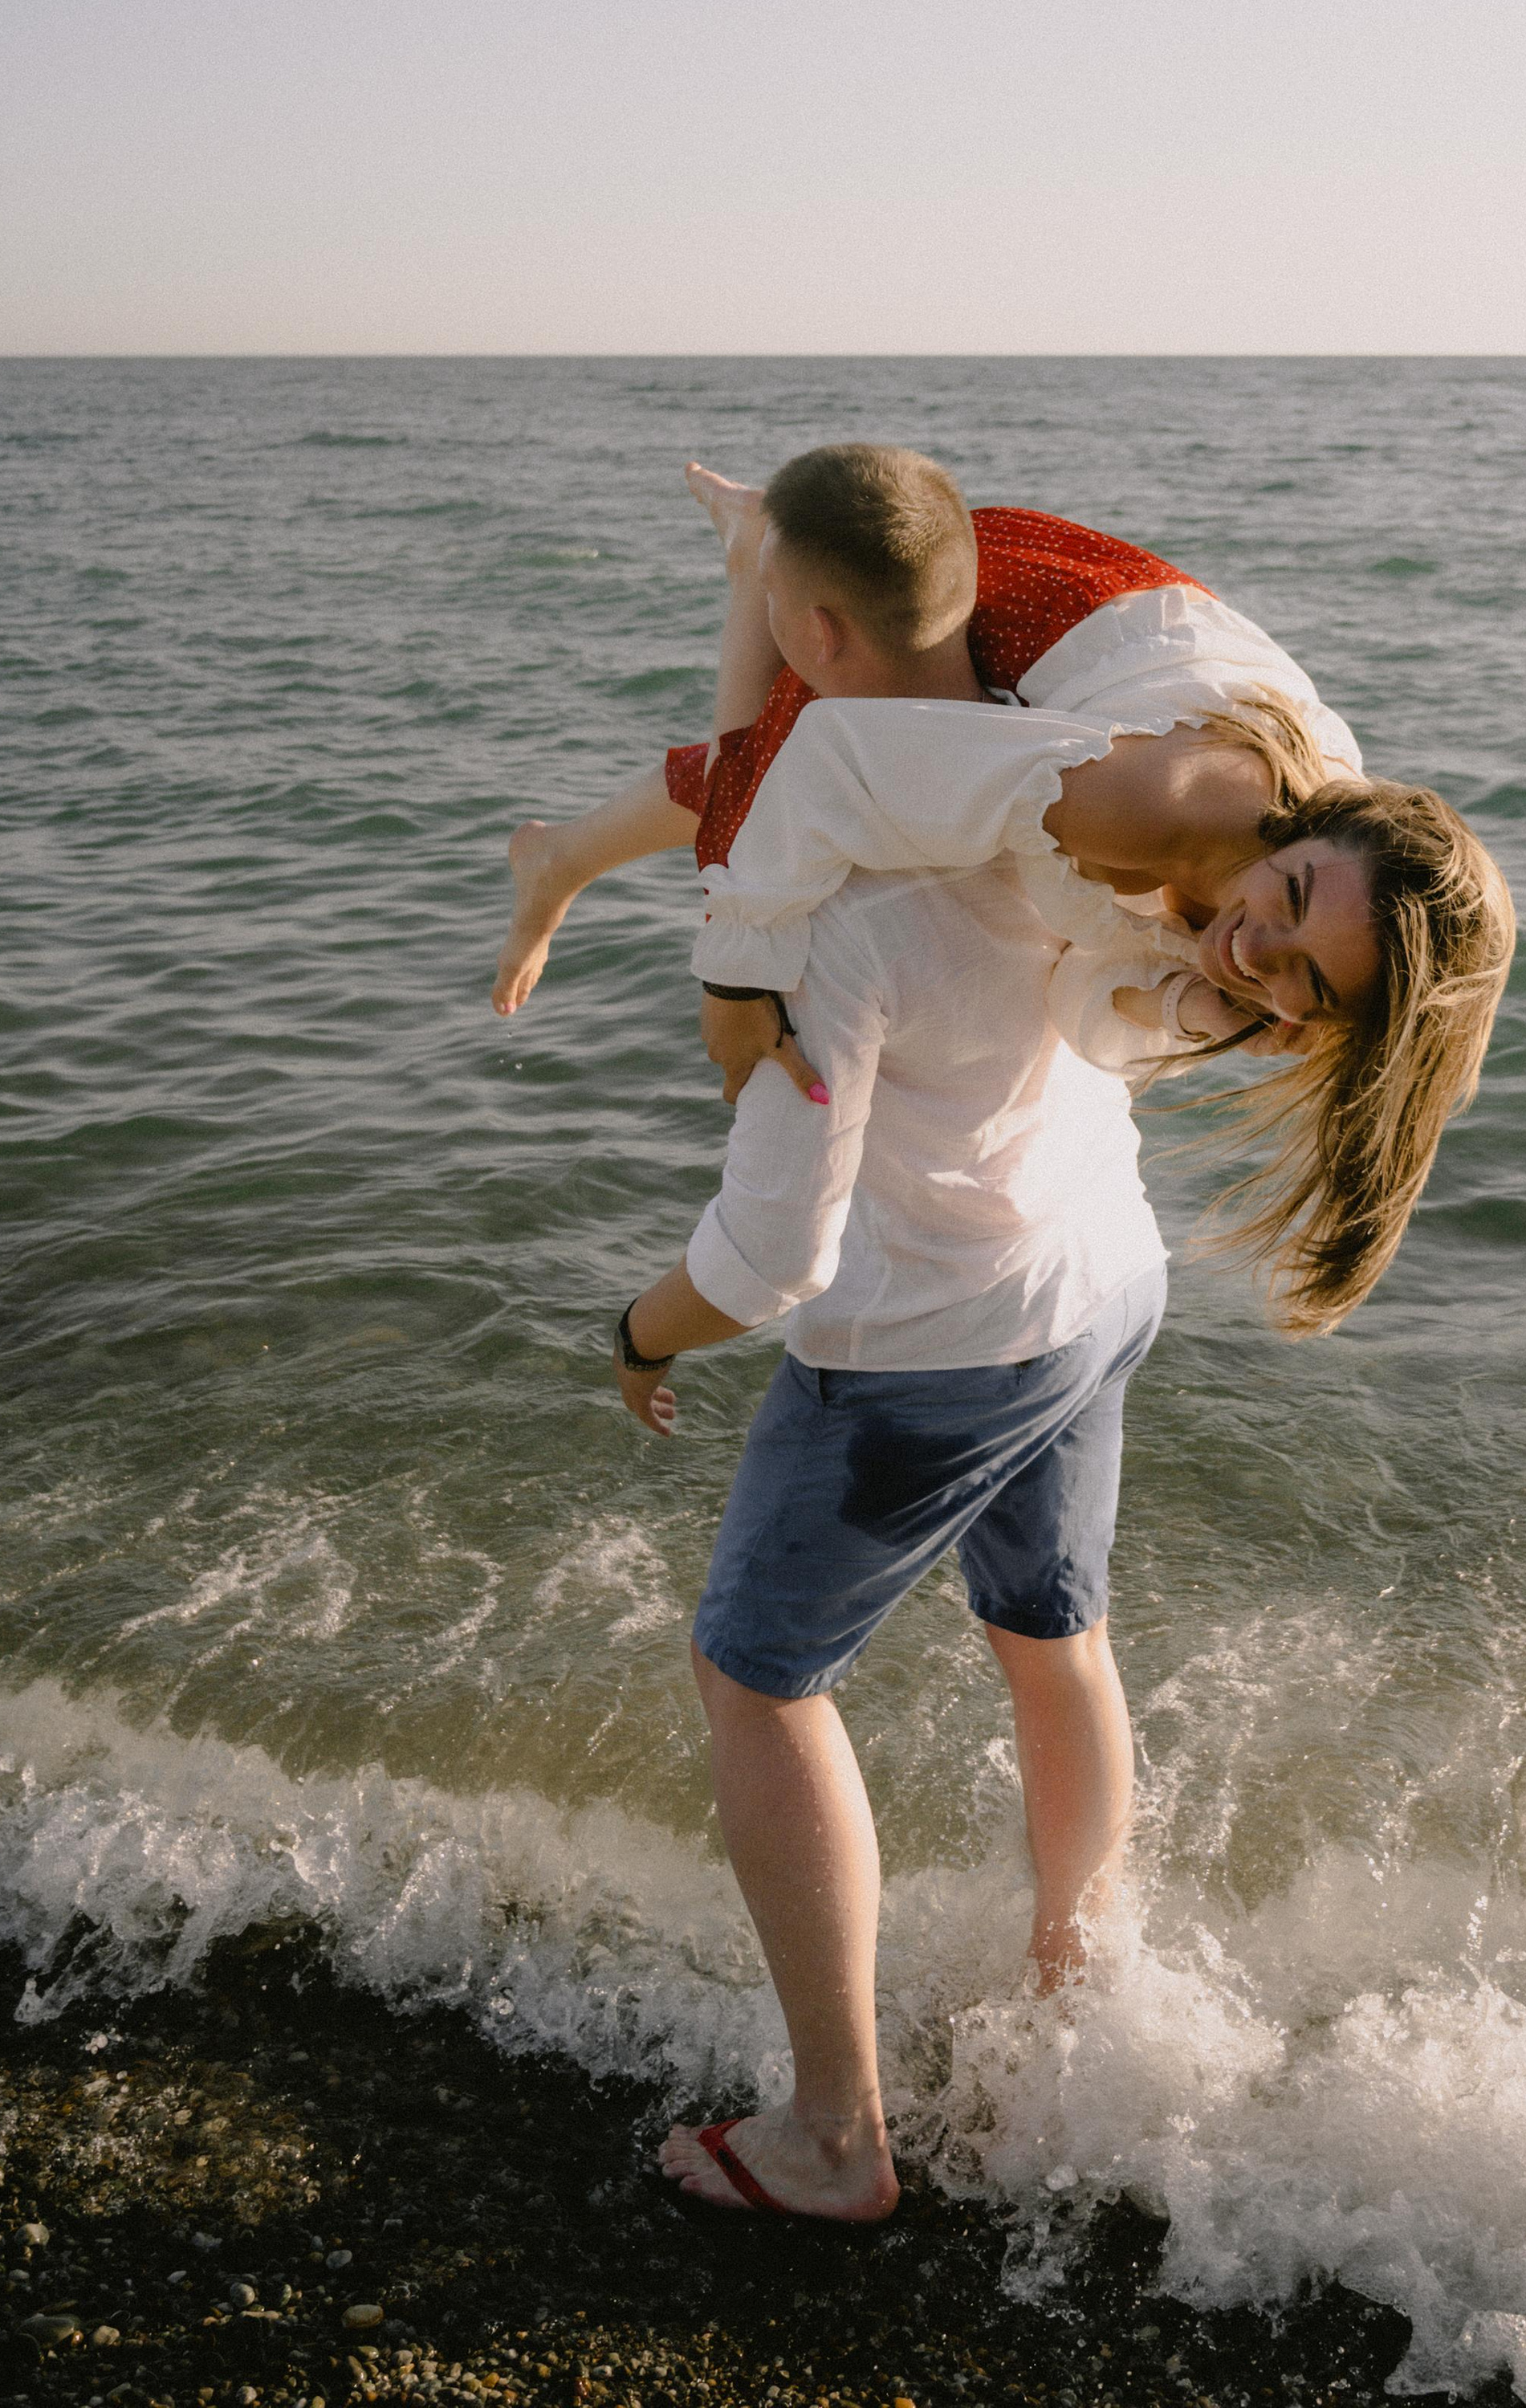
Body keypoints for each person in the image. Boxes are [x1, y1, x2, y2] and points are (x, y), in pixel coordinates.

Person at [498, 446, 1513, 1333]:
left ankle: (756, 560)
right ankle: (761, 562)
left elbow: (1081, 1001)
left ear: (1336, 1022)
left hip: (1134, 642)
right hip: (1028, 606)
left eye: (1310, 982)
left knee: (804, 766)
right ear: (1309, 828)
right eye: (1287, 902)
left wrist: (1183, 1007)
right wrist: (732, 982)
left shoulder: (1302, 924)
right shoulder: (1138, 805)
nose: (1258, 955)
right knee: (767, 780)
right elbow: (827, 766)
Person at [612, 812, 1171, 2220]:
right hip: (1100, 1274)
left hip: (929, 1338)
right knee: (1055, 1632)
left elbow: (775, 1255)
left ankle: (835, 2137)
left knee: (754, 1677)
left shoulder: (840, 913)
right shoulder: (1047, 809)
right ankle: (1074, 2008)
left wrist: (641, 1330)